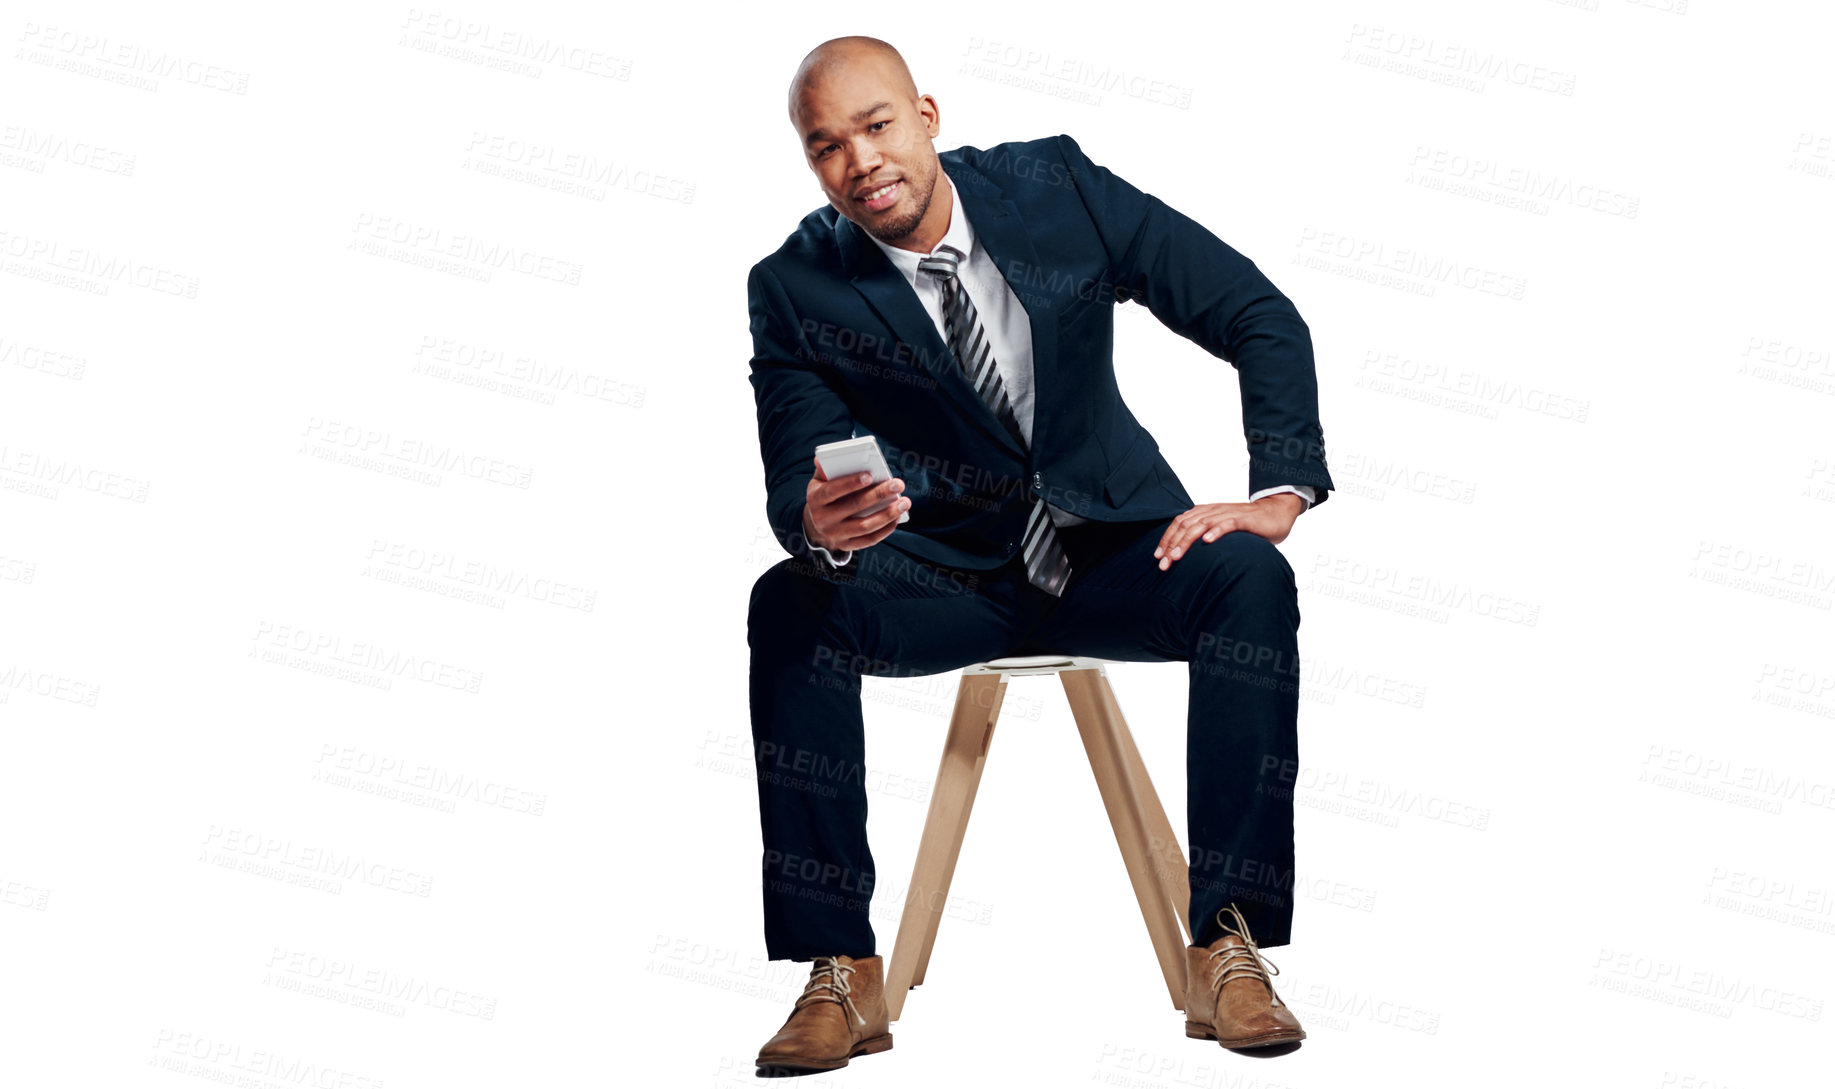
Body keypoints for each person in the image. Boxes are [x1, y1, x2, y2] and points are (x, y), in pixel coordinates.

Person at [744, 35, 1334, 1075]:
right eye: (825, 146)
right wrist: (816, 521)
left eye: (876, 126)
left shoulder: (1053, 186)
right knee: (788, 602)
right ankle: (837, 968)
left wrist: (1278, 491)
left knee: (1249, 576)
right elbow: (794, 466)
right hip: (941, 579)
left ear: (926, 116)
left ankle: (1229, 949)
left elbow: (1253, 311)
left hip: (1112, 549)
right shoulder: (796, 282)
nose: (860, 162)